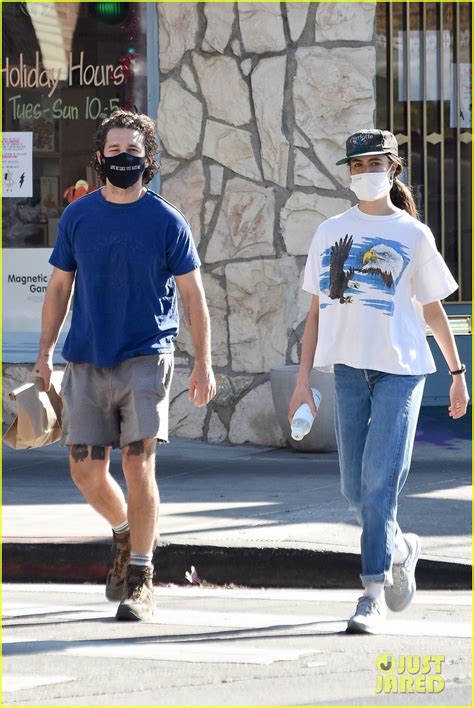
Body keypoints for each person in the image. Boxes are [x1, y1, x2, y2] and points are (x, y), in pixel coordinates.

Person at [33, 110, 216, 622]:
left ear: (149, 158)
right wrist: (44, 354)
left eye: (132, 152)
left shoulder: (166, 221)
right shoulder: (77, 217)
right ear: (98, 159)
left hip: (145, 357)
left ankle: (141, 576)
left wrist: (204, 363)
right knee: (85, 472)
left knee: (138, 465)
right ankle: (123, 531)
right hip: (86, 360)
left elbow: (193, 296)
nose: (123, 160)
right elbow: (58, 288)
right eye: (113, 153)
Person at [289, 129, 469, 634]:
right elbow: (316, 314)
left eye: (374, 164)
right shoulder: (329, 233)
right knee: (355, 487)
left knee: (379, 484)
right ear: (348, 173)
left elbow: (432, 309)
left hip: (402, 370)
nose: (365, 173)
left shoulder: (414, 234)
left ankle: (370, 592)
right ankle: (403, 545)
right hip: (348, 370)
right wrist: (303, 381)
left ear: (393, 169)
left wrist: (457, 373)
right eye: (356, 165)